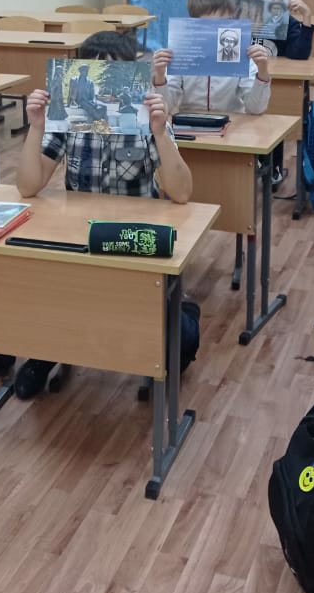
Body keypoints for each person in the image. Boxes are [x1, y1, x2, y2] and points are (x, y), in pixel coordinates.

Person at [14, 30, 193, 399]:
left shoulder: (147, 121)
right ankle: (46, 353)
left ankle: (177, 322)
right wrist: (36, 127)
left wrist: (161, 133)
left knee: (181, 345)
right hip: (79, 238)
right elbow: (28, 185)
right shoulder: (70, 120)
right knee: (49, 286)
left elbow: (181, 192)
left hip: (133, 239)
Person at [244, 0, 314, 196]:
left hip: (273, 83)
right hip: (244, 83)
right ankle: (248, 163)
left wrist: (306, 18)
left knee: (274, 119)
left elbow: (299, 54)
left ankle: (273, 167)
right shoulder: (237, 19)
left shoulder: (286, 20)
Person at [156, 0, 271, 114]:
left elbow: (256, 109)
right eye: (208, 25)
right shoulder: (181, 53)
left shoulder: (242, 54)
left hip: (233, 122)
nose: (216, 31)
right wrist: (160, 76)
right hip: (190, 122)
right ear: (194, 24)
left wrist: (262, 71)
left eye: (224, 23)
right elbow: (166, 107)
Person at [243, 0, 314, 59]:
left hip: (274, 68)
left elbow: (300, 55)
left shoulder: (287, 22)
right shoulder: (236, 20)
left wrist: (307, 15)